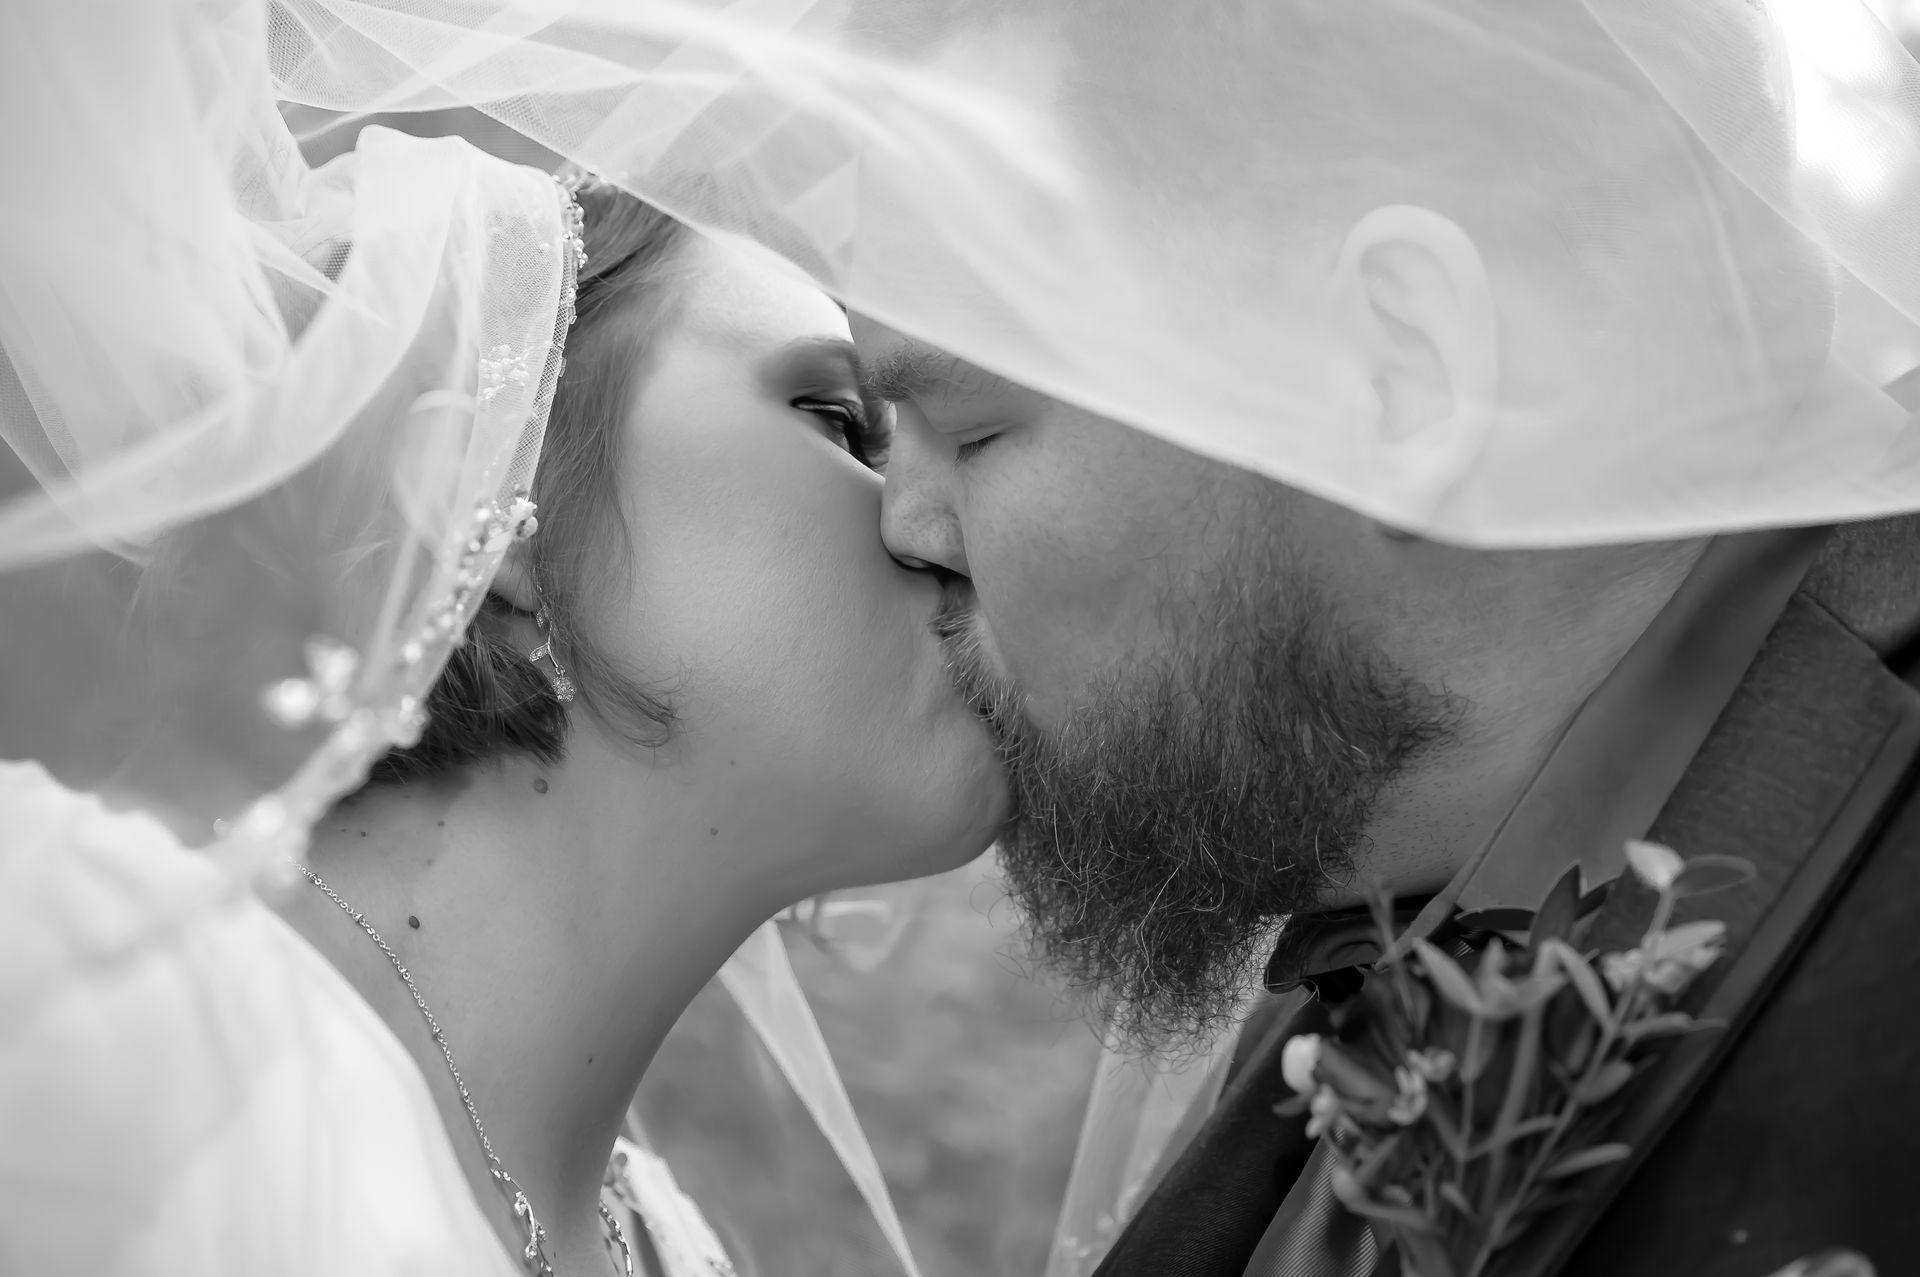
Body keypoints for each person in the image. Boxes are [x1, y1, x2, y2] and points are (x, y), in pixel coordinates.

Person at [0, 4, 1004, 1276]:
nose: (935, 521)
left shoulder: (676, 1248)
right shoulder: (88, 1017)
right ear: (468, 490)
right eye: (837, 417)